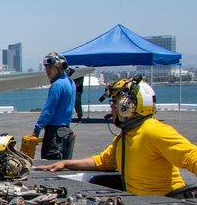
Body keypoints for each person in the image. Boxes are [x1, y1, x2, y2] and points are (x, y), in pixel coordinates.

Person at [35, 76, 197, 196]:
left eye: (114, 103)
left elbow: (192, 157)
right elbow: (103, 162)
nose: (112, 109)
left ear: (127, 107)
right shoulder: (125, 137)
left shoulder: (154, 131)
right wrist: (65, 163)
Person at [33, 52, 75, 159]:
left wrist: (37, 129)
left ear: (60, 67)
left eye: (50, 67)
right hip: (66, 132)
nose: (47, 71)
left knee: (50, 167)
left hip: (55, 134)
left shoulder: (57, 85)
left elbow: (48, 111)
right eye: (46, 68)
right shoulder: (70, 82)